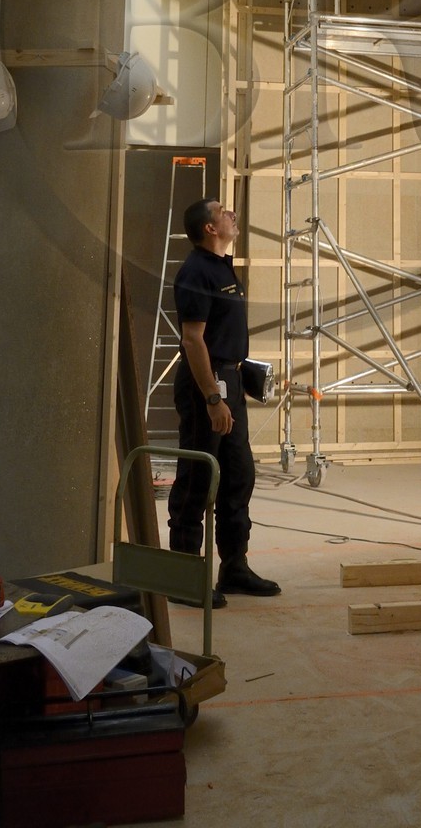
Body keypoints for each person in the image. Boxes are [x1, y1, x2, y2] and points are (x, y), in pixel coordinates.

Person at [166, 197, 280, 606]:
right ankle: (184, 575)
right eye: (223, 212)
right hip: (206, 384)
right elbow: (193, 339)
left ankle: (234, 567)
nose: (232, 214)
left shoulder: (222, 268)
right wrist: (213, 397)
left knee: (238, 475)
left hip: (229, 378)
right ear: (210, 228)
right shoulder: (196, 271)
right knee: (197, 479)